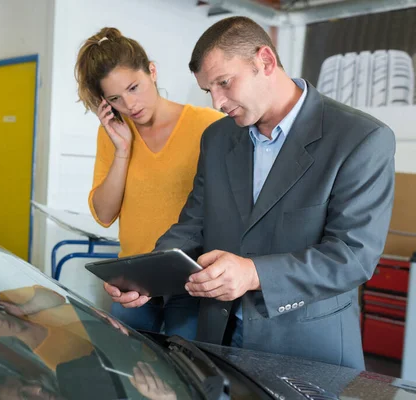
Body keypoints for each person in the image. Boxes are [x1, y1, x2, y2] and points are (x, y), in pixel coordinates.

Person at [104, 16, 395, 370]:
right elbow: (194, 224)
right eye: (210, 90)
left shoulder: (360, 138)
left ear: (265, 62)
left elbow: (352, 256)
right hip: (218, 337)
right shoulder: (218, 138)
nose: (218, 103)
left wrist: (254, 273)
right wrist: (148, 277)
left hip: (307, 346)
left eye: (224, 83)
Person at [75, 27, 224, 340]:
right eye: (116, 98)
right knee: (130, 375)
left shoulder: (209, 126)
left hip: (191, 279)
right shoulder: (114, 134)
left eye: (134, 87)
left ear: (152, 71)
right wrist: (122, 151)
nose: (130, 104)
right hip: (134, 281)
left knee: (190, 376)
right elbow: (104, 215)